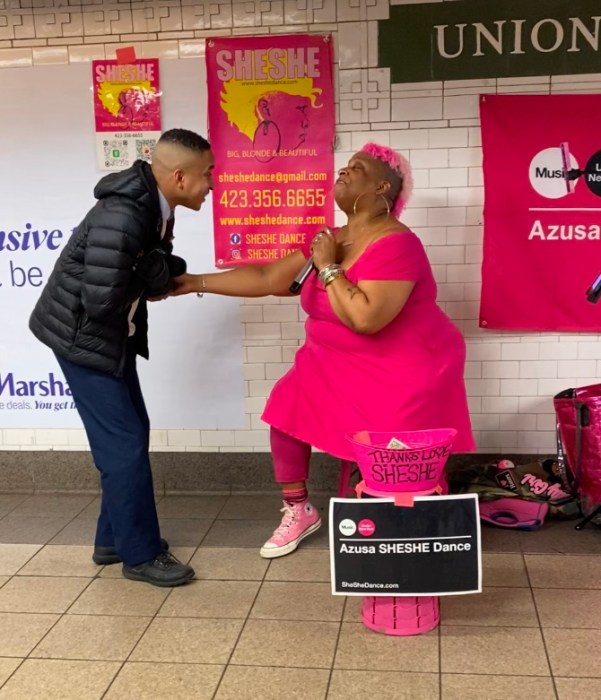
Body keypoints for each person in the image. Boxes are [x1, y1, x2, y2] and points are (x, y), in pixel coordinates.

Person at [172, 142, 475, 559]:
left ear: (383, 187)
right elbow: (267, 277)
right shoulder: (330, 239)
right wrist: (191, 283)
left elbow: (366, 318)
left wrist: (329, 267)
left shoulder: (397, 245)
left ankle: (408, 529)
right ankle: (300, 511)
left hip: (401, 370)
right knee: (285, 411)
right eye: (345, 166)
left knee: (390, 466)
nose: (344, 172)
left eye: (357, 168)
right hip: (330, 363)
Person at [29, 128, 215, 586]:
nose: (213, 184)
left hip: (108, 338)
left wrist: (153, 268)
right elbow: (101, 300)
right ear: (179, 176)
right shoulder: (126, 214)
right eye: (207, 174)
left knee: (131, 436)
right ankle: (141, 555)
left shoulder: (155, 207)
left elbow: (159, 266)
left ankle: (112, 539)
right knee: (125, 444)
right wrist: (155, 273)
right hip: (85, 340)